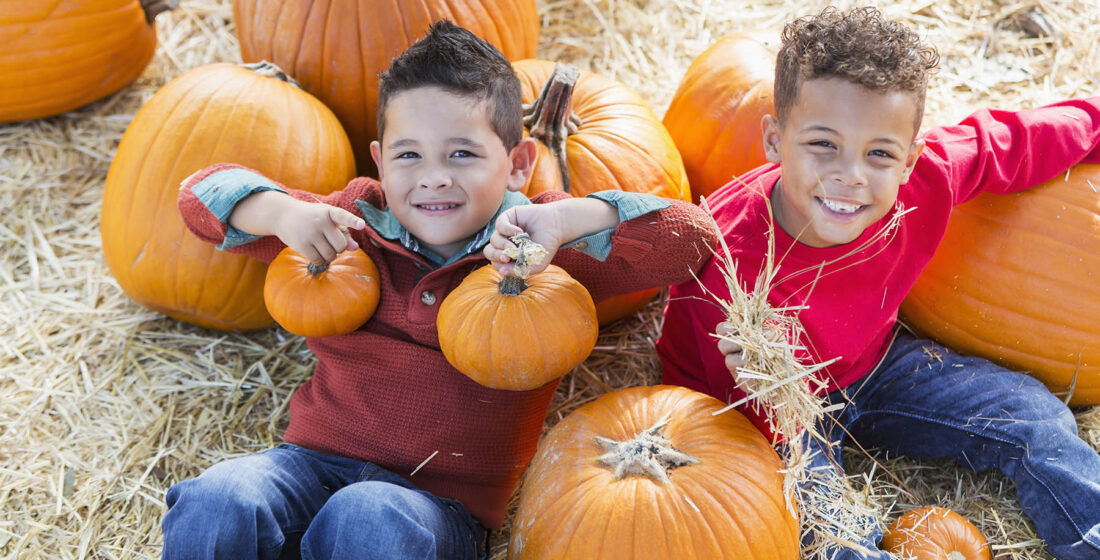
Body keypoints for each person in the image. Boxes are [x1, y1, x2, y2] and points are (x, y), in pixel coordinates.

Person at [162, 20, 717, 560]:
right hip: (308, 463)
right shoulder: (350, 224)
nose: (433, 177)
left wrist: (572, 219)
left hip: (434, 507)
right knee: (218, 499)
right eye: (409, 155)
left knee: (368, 517)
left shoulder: (541, 250)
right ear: (380, 161)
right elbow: (197, 197)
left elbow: (693, 240)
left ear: (519, 163)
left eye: (462, 154)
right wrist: (280, 212)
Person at [657, 6, 1100, 560]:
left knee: (1031, 415)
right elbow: (741, 405)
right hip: (766, 409)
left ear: (910, 158)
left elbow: (1014, 141)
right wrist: (766, 395)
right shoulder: (732, 252)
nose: (851, 175)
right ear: (775, 139)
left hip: (872, 366)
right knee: (822, 529)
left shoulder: (928, 177)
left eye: (879, 154)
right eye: (823, 144)